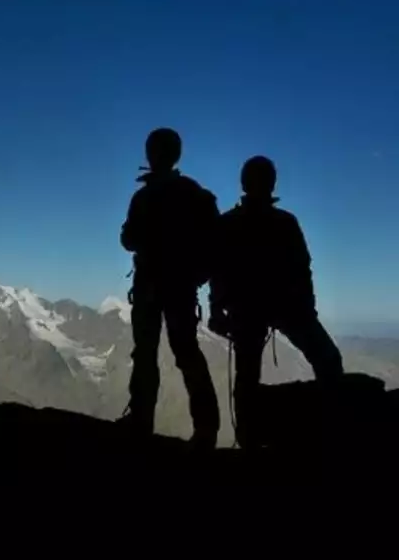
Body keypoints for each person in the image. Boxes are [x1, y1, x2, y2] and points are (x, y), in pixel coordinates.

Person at [208, 155, 345, 449]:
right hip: (288, 308)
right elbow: (302, 269)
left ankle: (248, 440)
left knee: (246, 377)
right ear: (272, 184)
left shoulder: (227, 224)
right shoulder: (285, 223)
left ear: (244, 183)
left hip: (246, 311)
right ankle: (333, 429)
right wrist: (306, 309)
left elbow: (216, 270)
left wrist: (217, 309)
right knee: (328, 360)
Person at [120, 127, 220, 449]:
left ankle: (140, 424)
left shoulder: (144, 196)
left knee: (145, 354)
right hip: (181, 288)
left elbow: (129, 239)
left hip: (149, 286)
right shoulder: (196, 193)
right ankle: (206, 429)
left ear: (151, 155)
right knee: (188, 352)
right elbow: (215, 244)